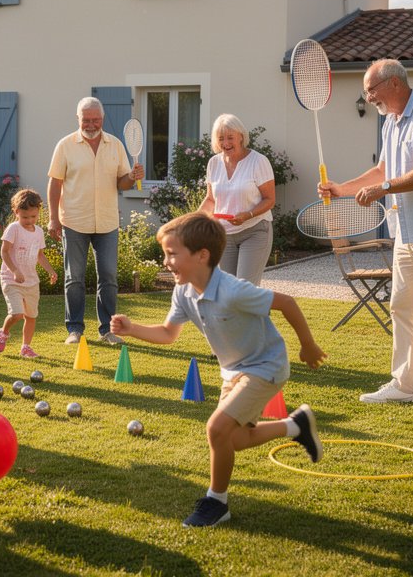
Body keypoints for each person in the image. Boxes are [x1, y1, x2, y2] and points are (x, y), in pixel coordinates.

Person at [110, 212, 327, 528]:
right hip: (233, 371)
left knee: (216, 429)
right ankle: (296, 426)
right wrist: (132, 329)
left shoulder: (233, 290)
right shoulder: (183, 291)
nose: (166, 262)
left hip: (265, 365)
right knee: (234, 439)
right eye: (165, 254)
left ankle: (217, 502)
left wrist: (307, 345)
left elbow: (287, 303)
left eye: (172, 254)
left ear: (202, 255)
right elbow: (168, 333)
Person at [319, 58, 413, 416]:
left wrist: (383, 188)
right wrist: (341, 189)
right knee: (402, 307)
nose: (368, 97)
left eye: (370, 90)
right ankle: (404, 386)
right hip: (406, 229)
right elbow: (382, 170)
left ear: (394, 84)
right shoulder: (391, 121)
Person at [47, 97, 143, 346]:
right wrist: (53, 219)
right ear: (78, 119)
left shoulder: (115, 145)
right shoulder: (65, 145)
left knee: (109, 277)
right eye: (86, 120)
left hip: (107, 222)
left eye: (96, 120)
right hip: (74, 221)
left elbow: (122, 183)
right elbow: (55, 183)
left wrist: (132, 177)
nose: (91, 124)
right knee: (74, 278)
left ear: (102, 118)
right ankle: (74, 329)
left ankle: (107, 330)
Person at [197, 114, 276, 285]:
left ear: (241, 136)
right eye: (221, 138)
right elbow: (210, 200)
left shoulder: (258, 161)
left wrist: (248, 214)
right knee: (228, 290)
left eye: (230, 137)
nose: (226, 143)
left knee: (244, 289)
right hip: (224, 235)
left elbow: (269, 199)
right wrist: (194, 222)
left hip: (255, 230)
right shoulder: (213, 163)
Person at [0, 188, 58, 358]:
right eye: (25, 217)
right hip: (11, 279)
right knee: (17, 314)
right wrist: (15, 270)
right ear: (16, 212)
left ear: (38, 212)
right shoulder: (13, 228)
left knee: (31, 316)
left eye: (33, 217)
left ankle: (26, 347)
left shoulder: (39, 232)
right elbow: (4, 252)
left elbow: (40, 255)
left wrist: (50, 270)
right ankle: (4, 332)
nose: (29, 221)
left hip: (31, 281)